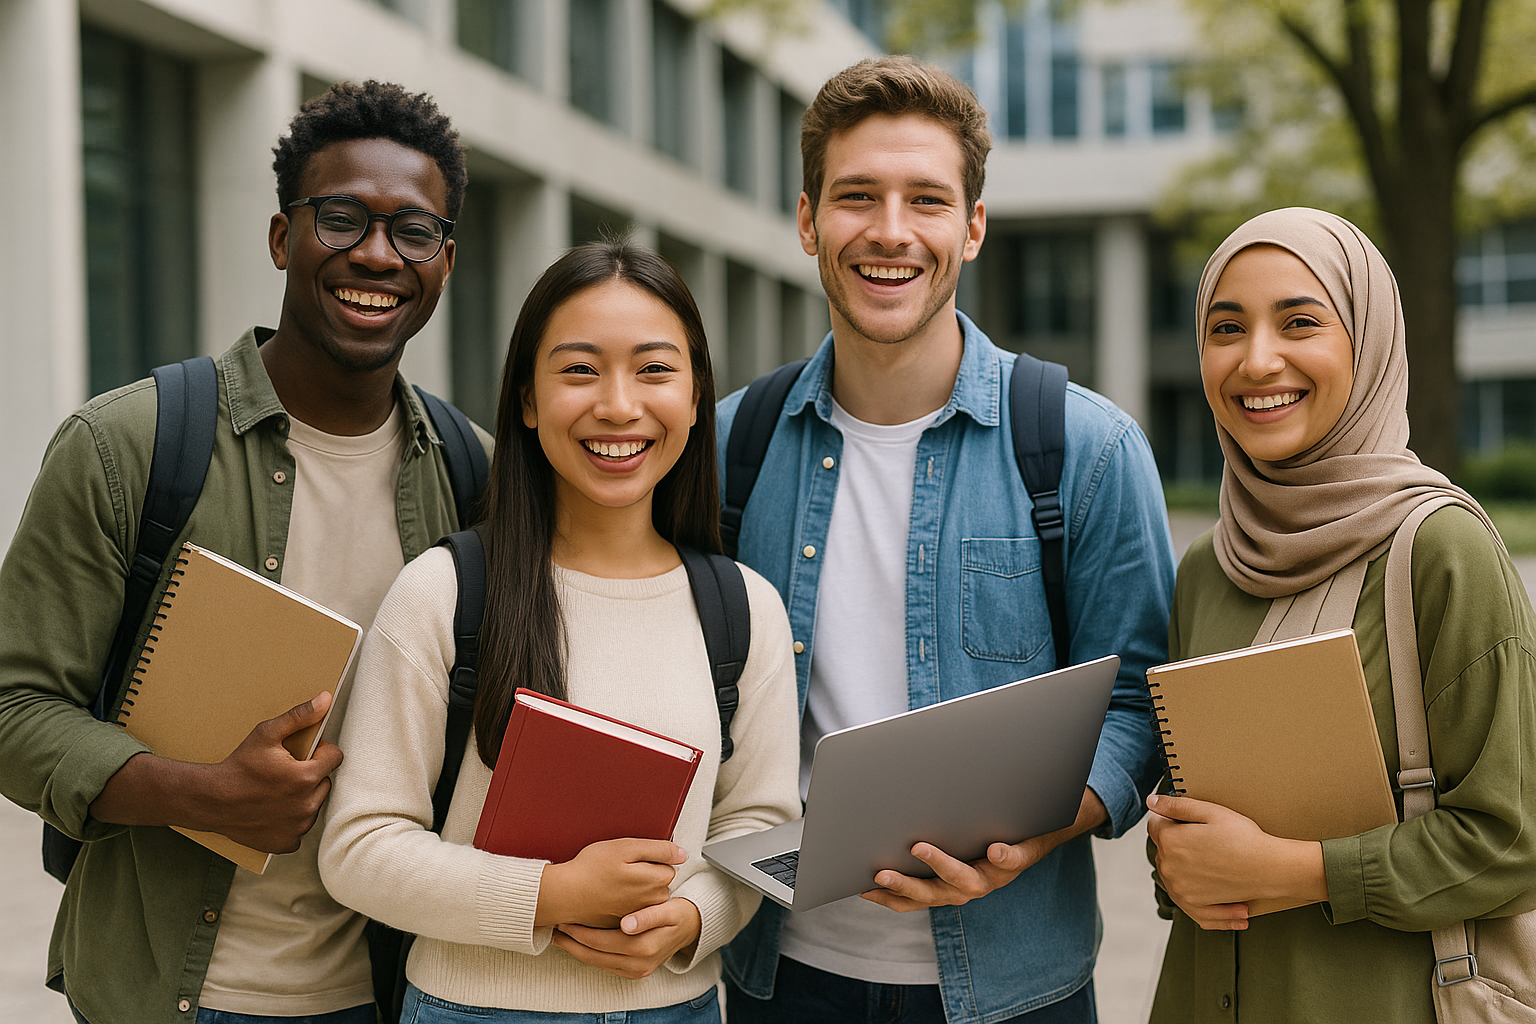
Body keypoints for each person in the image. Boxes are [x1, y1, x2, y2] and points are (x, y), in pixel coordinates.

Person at [0, 81, 484, 1023]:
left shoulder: (476, 476)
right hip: (165, 995)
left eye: (413, 231)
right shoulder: (127, 445)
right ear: (280, 237)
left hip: (394, 992)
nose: (377, 255)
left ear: (447, 261)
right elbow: (14, 709)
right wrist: (205, 793)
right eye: (340, 219)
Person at [716, 56, 1176, 1024]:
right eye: (856, 197)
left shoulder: (1086, 448)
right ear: (807, 221)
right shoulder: (727, 446)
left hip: (1017, 987)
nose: (890, 231)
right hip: (781, 977)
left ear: (970, 227)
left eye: (926, 199)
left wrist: (1046, 826)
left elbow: (1142, 702)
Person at [317, 241, 801, 1024]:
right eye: (579, 370)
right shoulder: (445, 593)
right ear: (527, 400)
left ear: (696, 393)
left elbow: (762, 826)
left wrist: (695, 918)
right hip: (471, 1009)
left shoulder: (745, 608)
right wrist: (549, 895)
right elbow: (359, 848)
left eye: (654, 369)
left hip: (675, 1008)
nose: (618, 405)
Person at [1144, 207, 1536, 1022]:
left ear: (1368, 339)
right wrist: (1174, 858)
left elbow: (1514, 842)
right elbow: (1193, 826)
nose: (1258, 360)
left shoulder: (1438, 549)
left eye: (1299, 322)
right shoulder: (1205, 569)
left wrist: (1295, 872)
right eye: (1226, 327)